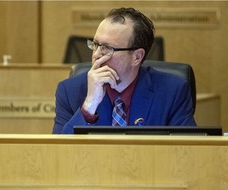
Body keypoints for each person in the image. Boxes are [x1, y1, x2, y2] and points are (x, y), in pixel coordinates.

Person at [53, 7, 196, 134]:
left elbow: (186, 152)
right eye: (96, 44)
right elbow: (58, 154)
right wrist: (89, 105)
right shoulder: (69, 91)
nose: (96, 54)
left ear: (137, 57)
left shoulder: (172, 92)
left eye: (107, 48)